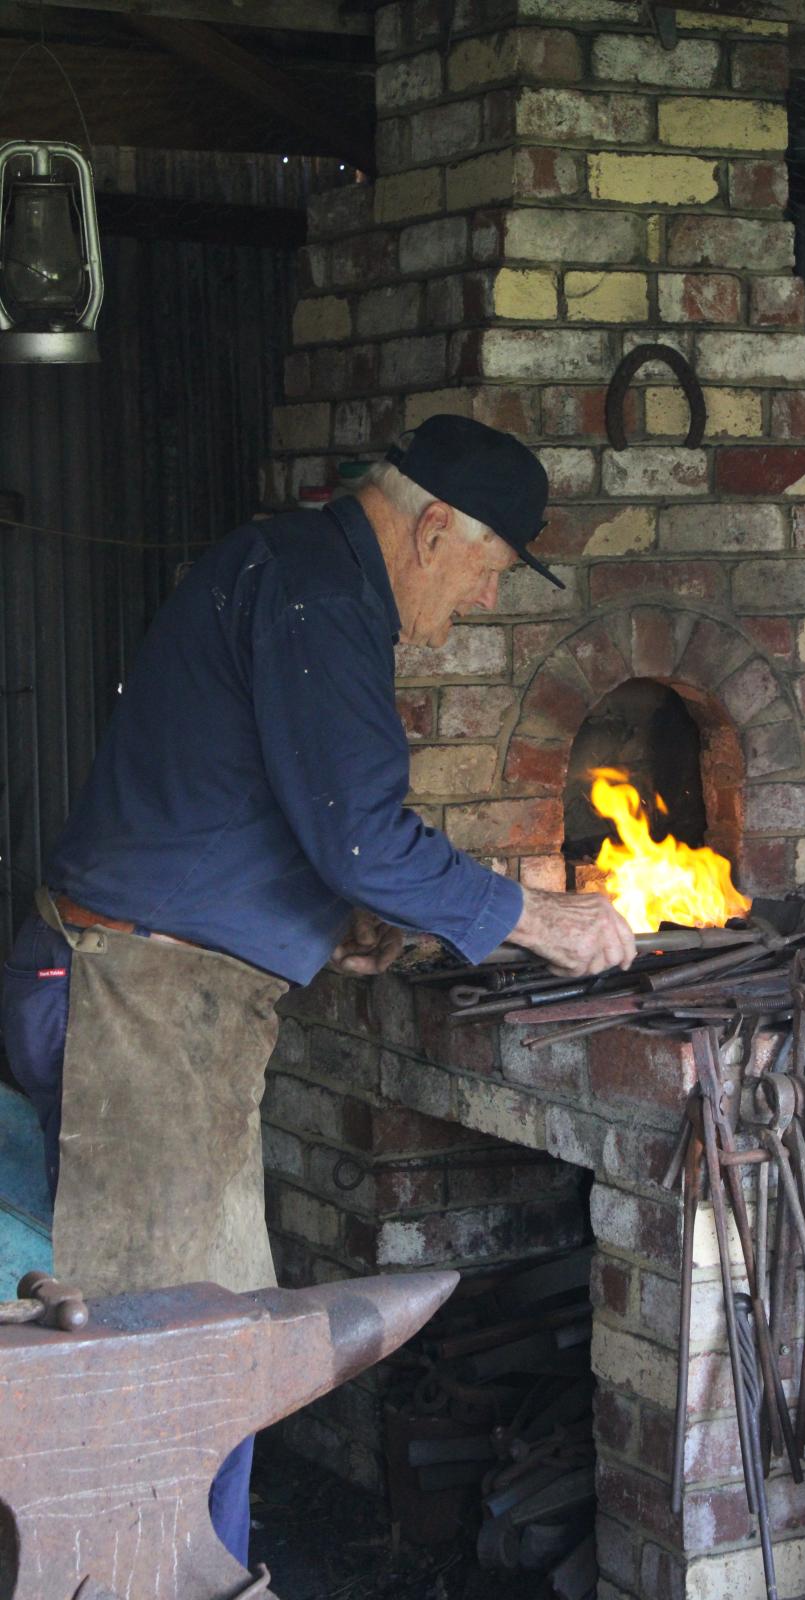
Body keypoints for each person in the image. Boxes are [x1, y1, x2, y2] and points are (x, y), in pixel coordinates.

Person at [0, 413, 635, 1567]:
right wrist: (541, 922)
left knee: (198, 1336)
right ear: (435, 526)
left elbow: (261, 796)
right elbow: (360, 833)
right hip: (137, 1008)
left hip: (139, 991)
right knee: (172, 1366)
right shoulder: (320, 600)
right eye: (490, 568)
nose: (484, 601)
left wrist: (324, 918)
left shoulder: (284, 565)